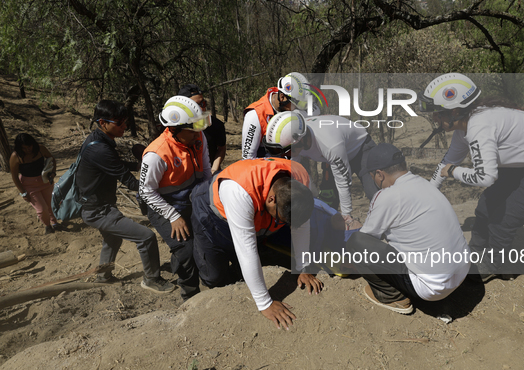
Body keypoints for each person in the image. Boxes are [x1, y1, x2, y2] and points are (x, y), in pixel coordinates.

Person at [420, 73, 524, 282]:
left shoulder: (479, 126)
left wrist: (453, 172)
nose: (434, 118)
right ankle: (475, 254)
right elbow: (448, 160)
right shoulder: (465, 125)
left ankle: (493, 265)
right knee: (487, 204)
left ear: (456, 111)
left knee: (504, 218)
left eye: (438, 113)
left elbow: (485, 177)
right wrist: (428, 195)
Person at [191, 158, 323, 330]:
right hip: (213, 214)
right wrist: (264, 303)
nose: (282, 223)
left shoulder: (301, 181)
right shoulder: (239, 191)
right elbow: (247, 250)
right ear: (271, 200)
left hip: (255, 210)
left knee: (248, 257)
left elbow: (301, 227)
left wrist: (304, 267)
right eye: (280, 219)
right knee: (214, 275)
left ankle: (239, 273)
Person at [347, 143, 470, 314]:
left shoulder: (386, 196)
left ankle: (392, 297)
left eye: (372, 176)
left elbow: (368, 238)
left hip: (433, 288)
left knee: (357, 242)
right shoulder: (425, 185)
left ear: (379, 175)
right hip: (463, 272)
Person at [77, 100, 174, 293]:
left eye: (125, 122)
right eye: (119, 123)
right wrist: (153, 192)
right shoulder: (99, 148)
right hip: (98, 211)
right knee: (146, 237)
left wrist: (143, 164)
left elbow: (116, 164)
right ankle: (152, 279)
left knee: (113, 239)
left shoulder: (99, 139)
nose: (124, 127)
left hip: (97, 205)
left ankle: (103, 277)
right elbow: (126, 179)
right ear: (103, 123)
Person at [139, 96, 212, 300]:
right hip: (163, 205)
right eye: (194, 127)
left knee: (207, 238)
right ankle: (189, 294)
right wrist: (173, 216)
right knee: (186, 250)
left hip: (192, 199)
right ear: (176, 129)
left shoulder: (198, 138)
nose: (199, 131)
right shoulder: (156, 154)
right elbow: (146, 192)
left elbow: (206, 170)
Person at [291, 115, 378, 230]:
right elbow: (297, 172)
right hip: (333, 156)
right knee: (328, 197)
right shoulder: (295, 138)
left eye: (290, 149)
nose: (288, 152)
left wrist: (347, 215)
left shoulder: (329, 144)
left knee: (375, 193)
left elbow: (343, 180)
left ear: (301, 140)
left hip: (360, 149)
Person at [242, 72, 317, 160]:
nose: (295, 109)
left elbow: (315, 110)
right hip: (267, 168)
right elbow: (248, 158)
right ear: (282, 97)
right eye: (294, 105)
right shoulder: (255, 116)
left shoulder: (290, 106)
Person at [9, 133, 61, 234]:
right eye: (24, 148)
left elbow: (51, 159)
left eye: (30, 146)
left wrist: (53, 173)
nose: (28, 150)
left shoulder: (41, 149)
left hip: (45, 181)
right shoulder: (15, 156)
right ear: (20, 148)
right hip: (29, 186)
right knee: (42, 209)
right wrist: (23, 193)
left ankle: (55, 223)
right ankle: (47, 226)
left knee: (50, 205)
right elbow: (14, 177)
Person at [178, 84, 226, 173]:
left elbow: (221, 149)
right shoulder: (176, 127)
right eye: (195, 105)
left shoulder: (216, 125)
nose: (201, 109)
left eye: (203, 104)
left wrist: (214, 169)